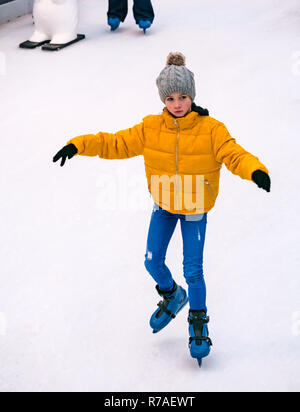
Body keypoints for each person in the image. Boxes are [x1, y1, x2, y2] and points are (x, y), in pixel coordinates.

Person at [53, 52, 271, 366]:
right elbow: (115, 143)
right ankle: (172, 294)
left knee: (193, 270)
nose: (178, 104)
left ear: (192, 96)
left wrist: (255, 170)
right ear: (163, 99)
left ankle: (198, 321)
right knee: (152, 261)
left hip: (195, 205)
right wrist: (78, 144)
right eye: (170, 98)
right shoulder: (150, 128)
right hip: (165, 205)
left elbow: (234, 154)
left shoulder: (212, 129)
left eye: (183, 96)